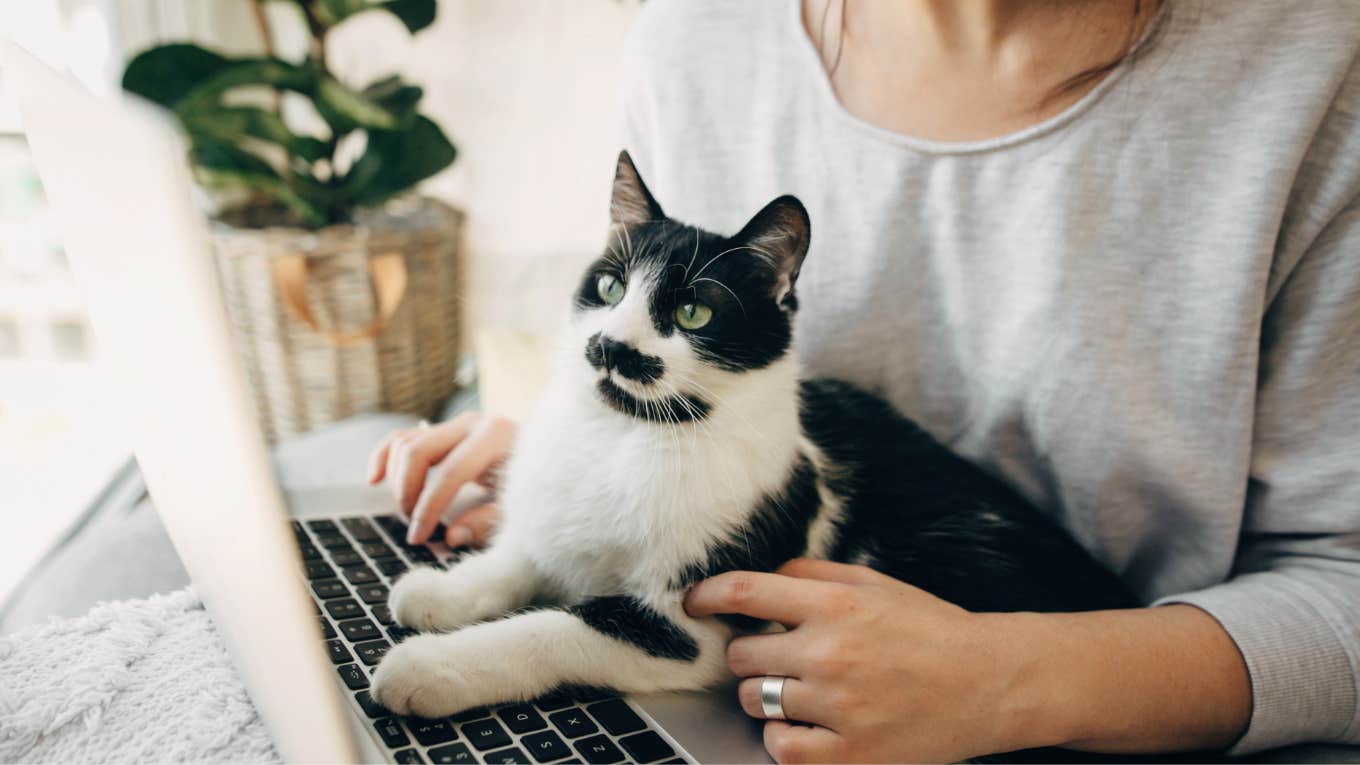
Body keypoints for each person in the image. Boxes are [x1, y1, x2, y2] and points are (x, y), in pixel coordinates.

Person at [367, 1, 1360, 761]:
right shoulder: (699, 31)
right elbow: (673, 339)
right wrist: (591, 447)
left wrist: (1013, 680)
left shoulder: (1318, 74)